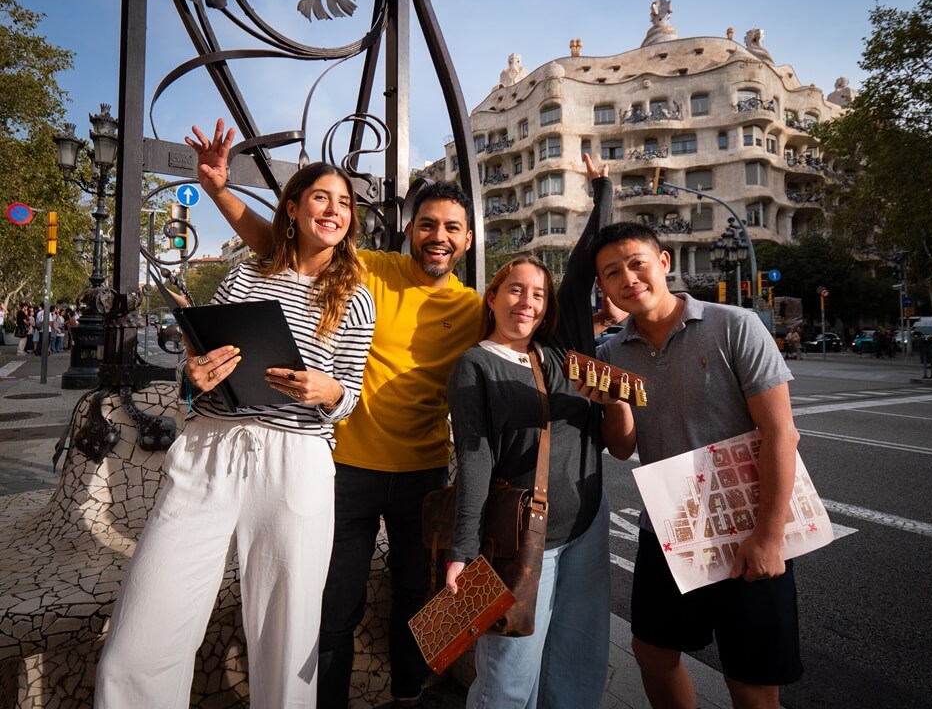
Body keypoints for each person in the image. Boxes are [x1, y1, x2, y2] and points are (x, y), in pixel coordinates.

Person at [188, 119, 480, 709]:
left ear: (468, 240)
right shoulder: (366, 270)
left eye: (451, 228)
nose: (438, 237)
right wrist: (220, 191)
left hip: (424, 473)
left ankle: (408, 695)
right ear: (409, 231)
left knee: (415, 595)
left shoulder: (475, 309)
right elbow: (275, 243)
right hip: (344, 464)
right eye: (427, 225)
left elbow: (538, 327)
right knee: (334, 601)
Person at [95, 162, 377, 709]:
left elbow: (351, 397)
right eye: (320, 198)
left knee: (288, 638)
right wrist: (191, 378)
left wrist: (329, 393)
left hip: (296, 461)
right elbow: (198, 370)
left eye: (344, 204)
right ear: (292, 209)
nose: (334, 210)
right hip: (210, 449)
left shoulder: (356, 297)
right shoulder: (242, 277)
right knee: (140, 639)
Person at [584, 222, 802, 709]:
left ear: (663, 263)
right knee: (653, 652)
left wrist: (769, 536)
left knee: (751, 680)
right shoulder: (611, 351)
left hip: (745, 521)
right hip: (669, 526)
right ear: (604, 286)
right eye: (612, 272)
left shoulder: (735, 325)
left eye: (637, 262)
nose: (629, 277)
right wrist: (617, 402)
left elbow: (781, 432)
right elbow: (621, 449)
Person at [445, 156, 611, 708]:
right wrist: (463, 551)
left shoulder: (559, 353)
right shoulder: (476, 363)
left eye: (538, 294)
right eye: (515, 290)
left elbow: (585, 265)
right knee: (509, 677)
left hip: (585, 528)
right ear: (491, 297)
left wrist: (603, 190)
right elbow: (473, 458)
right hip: (518, 540)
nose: (527, 302)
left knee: (577, 666)